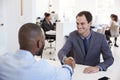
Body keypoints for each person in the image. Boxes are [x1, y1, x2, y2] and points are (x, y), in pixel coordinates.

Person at [0, 23, 75, 80]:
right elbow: (65, 75)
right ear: (39, 43)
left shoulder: (3, 60)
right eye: (43, 39)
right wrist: (68, 66)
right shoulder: (42, 69)